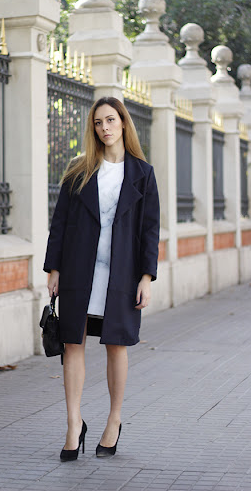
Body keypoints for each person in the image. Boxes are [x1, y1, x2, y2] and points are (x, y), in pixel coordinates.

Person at [43, 96, 160, 461]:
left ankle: (114, 420)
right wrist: (54, 268)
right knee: (72, 343)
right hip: (79, 269)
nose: (105, 127)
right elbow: (60, 222)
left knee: (116, 344)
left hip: (122, 272)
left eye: (110, 120)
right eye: (98, 122)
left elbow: (150, 230)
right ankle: (73, 424)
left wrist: (146, 277)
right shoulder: (79, 169)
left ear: (123, 122)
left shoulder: (142, 173)